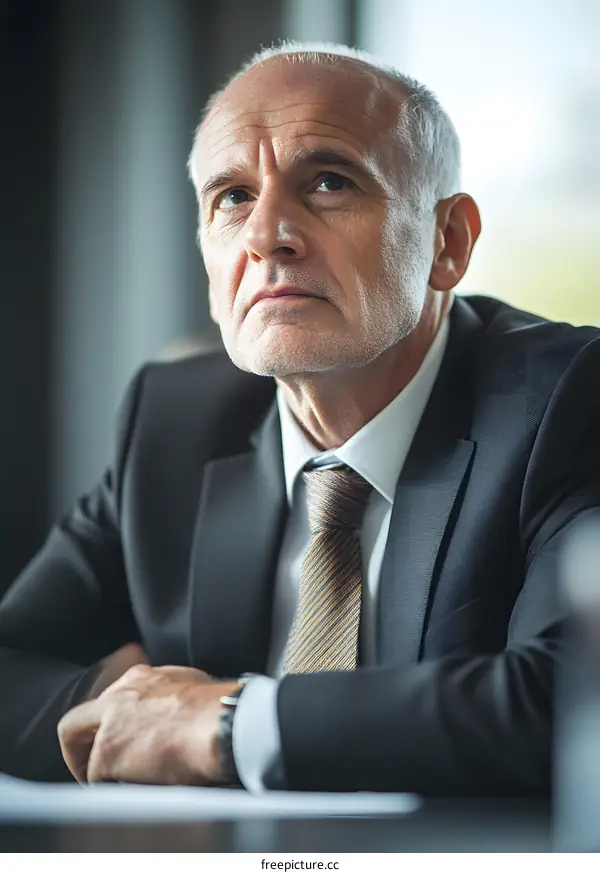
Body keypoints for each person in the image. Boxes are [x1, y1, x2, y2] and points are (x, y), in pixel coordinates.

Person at [1, 41, 599, 797]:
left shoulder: (571, 398)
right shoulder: (173, 417)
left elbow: (575, 704)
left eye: (327, 181)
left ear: (448, 243)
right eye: (232, 197)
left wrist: (224, 725)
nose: (266, 235)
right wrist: (134, 719)